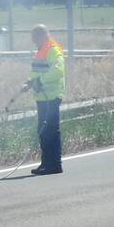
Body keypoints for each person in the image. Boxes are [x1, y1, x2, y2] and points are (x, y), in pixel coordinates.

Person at [24, 24, 65, 175]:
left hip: (51, 96)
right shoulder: (42, 50)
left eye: (34, 39)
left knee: (50, 130)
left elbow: (58, 71)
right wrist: (31, 82)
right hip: (43, 97)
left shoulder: (52, 49)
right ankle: (46, 163)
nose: (33, 42)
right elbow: (39, 71)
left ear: (41, 36)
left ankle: (54, 165)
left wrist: (40, 81)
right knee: (43, 130)